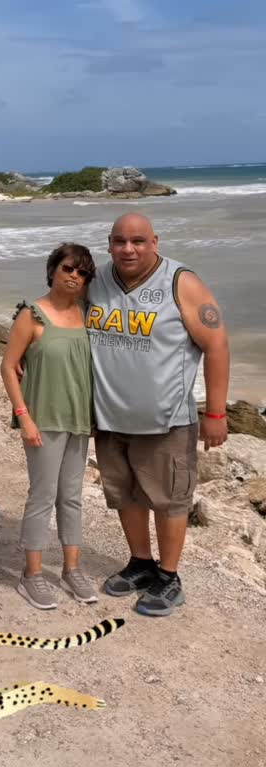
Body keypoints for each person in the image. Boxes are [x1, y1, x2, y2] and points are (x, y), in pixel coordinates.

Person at [87, 213, 230, 616]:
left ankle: (169, 577)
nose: (128, 249)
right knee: (125, 495)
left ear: (155, 242)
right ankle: (140, 563)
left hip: (166, 421)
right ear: (109, 243)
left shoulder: (181, 282)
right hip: (109, 417)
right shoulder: (97, 281)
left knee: (169, 501)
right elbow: (60, 319)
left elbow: (217, 345)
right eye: (119, 241)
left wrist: (216, 413)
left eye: (138, 241)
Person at [1, 242, 98, 610]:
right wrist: (23, 416)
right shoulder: (33, 316)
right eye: (68, 268)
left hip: (79, 419)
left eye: (82, 272)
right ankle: (32, 575)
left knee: (71, 496)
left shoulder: (88, 314)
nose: (74, 276)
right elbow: (8, 366)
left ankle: (72, 569)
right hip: (43, 420)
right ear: (53, 270)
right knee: (42, 495)